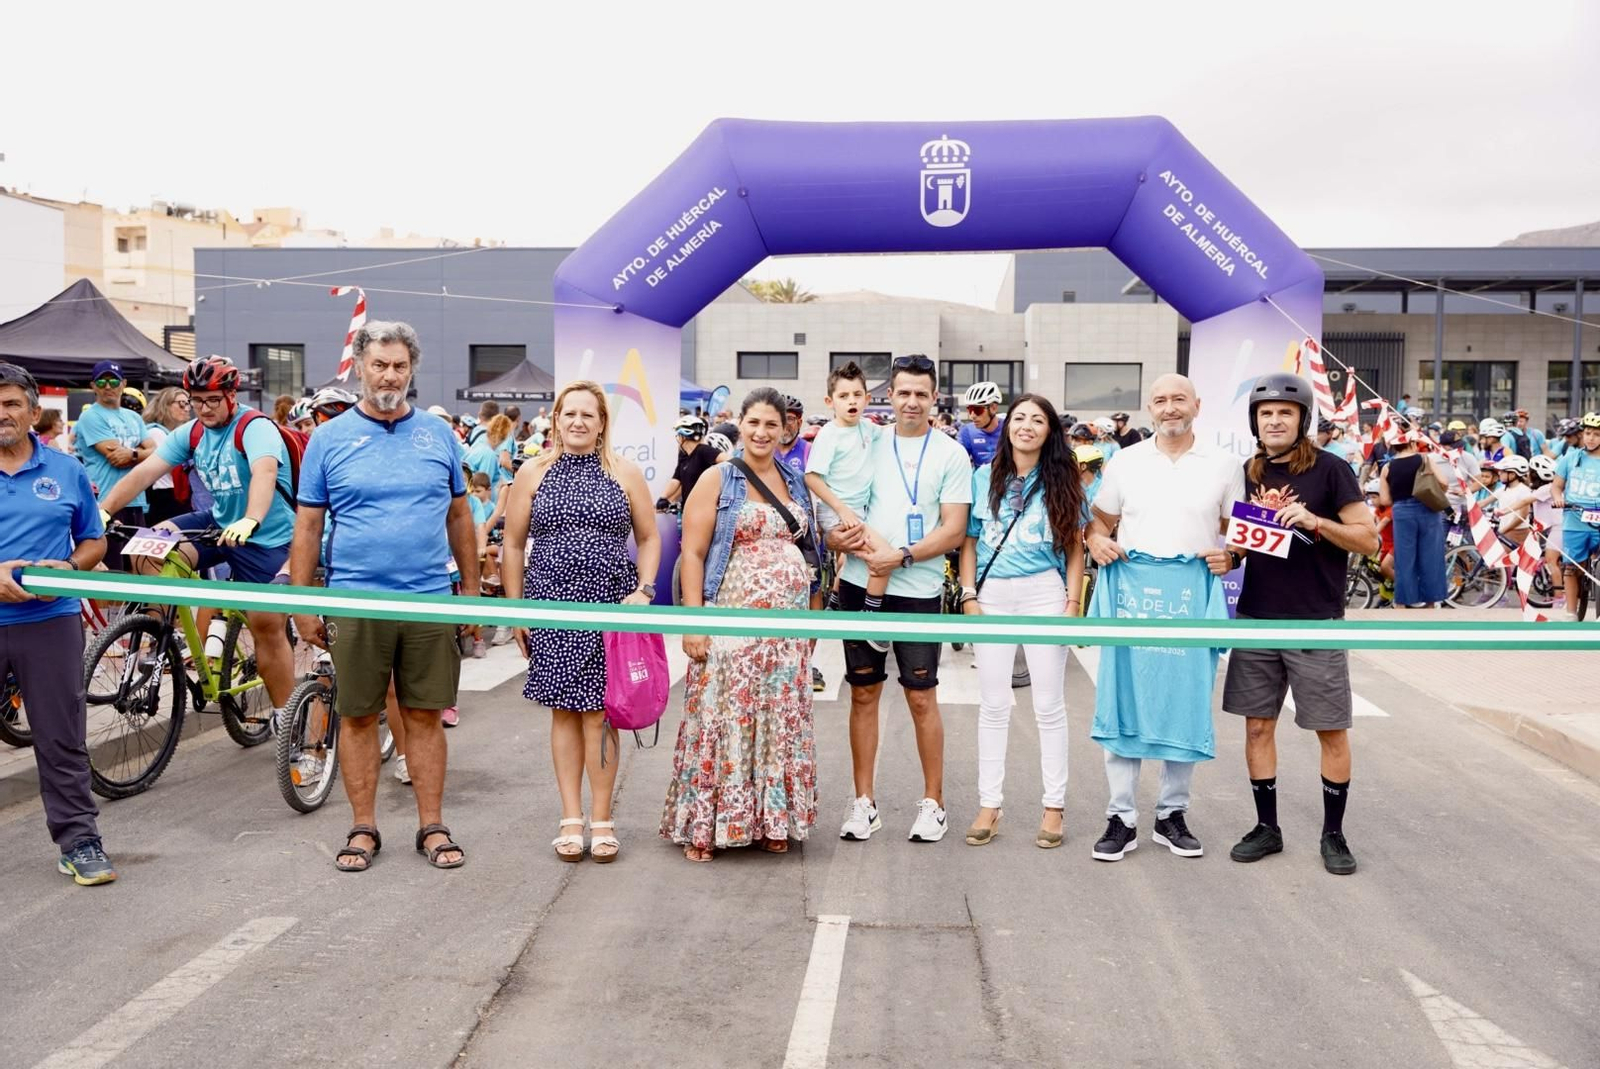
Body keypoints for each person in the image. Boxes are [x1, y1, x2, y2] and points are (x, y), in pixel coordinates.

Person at [290, 321, 479, 873]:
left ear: (412, 369)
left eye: (399, 365)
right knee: (356, 716)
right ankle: (363, 827)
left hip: (428, 599)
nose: (390, 376)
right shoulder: (328, 439)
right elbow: (308, 526)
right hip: (355, 600)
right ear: (359, 368)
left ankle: (433, 826)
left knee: (424, 716)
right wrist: (302, 602)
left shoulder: (439, 435)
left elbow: (459, 515)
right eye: (379, 365)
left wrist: (470, 592)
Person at [1221, 373, 1378, 877]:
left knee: (1330, 729)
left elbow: (1369, 539)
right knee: (1257, 727)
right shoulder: (1246, 472)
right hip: (1257, 617)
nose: (1274, 420)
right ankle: (1267, 827)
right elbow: (1244, 538)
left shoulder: (1331, 469)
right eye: (1265, 413)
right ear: (1255, 421)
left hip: (1316, 619)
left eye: (1284, 413)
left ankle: (1333, 833)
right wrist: (1231, 556)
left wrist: (1318, 523)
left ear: (1302, 419)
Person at [500, 380, 660, 864]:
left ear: (602, 422)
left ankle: (602, 819)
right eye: (569, 413)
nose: (577, 421)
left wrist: (644, 590)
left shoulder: (625, 472)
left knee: (600, 712)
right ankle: (571, 818)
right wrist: (516, 609)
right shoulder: (533, 472)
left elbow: (649, 538)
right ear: (555, 418)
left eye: (588, 414)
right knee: (564, 712)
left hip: (609, 606)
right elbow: (512, 545)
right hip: (550, 606)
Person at [1085, 373, 1242, 862]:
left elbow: (1236, 529)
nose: (1170, 408)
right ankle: (1121, 817)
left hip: (1190, 599)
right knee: (1123, 697)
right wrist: (1096, 540)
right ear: (1149, 409)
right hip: (1132, 598)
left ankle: (1172, 813)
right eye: (1160, 401)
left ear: (1197, 405)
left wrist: (1232, 555)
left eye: (1178, 399)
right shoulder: (1125, 461)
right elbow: (1099, 520)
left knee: (1185, 699)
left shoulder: (1224, 464)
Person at [97, 355, 300, 729]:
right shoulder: (191, 432)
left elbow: (265, 472)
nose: (204, 409)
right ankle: (164, 633)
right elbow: (145, 472)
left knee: (266, 624)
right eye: (197, 401)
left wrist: (252, 518)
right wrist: (104, 510)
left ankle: (285, 716)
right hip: (218, 524)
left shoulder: (254, 427)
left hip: (267, 537)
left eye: (212, 400)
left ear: (231, 396)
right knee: (145, 548)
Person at [663, 387, 818, 861]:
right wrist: (694, 622)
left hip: (786, 632)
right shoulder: (718, 478)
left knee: (778, 720)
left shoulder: (794, 480)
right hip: (731, 624)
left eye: (772, 424)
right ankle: (708, 827)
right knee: (724, 715)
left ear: (785, 429)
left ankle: (771, 820)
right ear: (740, 426)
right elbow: (692, 553)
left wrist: (812, 617)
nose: (762, 432)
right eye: (754, 423)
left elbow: (811, 550)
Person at [831, 353, 972, 844]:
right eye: (903, 392)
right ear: (888, 395)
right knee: (863, 692)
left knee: (921, 697)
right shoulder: (865, 441)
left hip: (917, 590)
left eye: (921, 394)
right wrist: (837, 540)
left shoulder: (951, 453)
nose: (912, 401)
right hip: (859, 582)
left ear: (934, 398)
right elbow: (836, 507)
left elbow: (954, 530)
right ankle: (863, 803)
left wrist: (902, 556)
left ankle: (934, 804)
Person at [0, 362, 116, 885]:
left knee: (61, 737)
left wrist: (69, 567)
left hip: (50, 621)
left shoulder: (66, 470)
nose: (2, 414)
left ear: (32, 411)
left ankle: (79, 841)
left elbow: (94, 540)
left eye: (11, 403)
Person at [958, 394, 1086, 850]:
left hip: (1044, 593)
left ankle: (1054, 806)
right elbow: (969, 541)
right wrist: (969, 595)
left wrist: (1072, 603)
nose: (1026, 426)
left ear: (1050, 431)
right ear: (1007, 426)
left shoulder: (1064, 478)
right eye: (1019, 418)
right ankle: (989, 804)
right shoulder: (982, 477)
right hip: (992, 593)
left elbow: (1075, 546)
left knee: (1048, 705)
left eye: (1037, 420)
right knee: (993, 704)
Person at [805, 362, 896, 651]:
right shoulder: (829, 434)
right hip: (838, 513)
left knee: (849, 561)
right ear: (830, 401)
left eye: (857, 395)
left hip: (859, 512)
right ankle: (871, 616)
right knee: (883, 556)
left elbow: (893, 431)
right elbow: (812, 477)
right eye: (843, 396)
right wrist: (842, 510)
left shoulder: (868, 428)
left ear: (867, 399)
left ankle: (834, 602)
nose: (851, 401)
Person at [74, 360, 157, 568]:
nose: (108, 386)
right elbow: (117, 458)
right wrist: (141, 453)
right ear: (93, 386)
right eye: (101, 382)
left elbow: (156, 452)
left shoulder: (133, 417)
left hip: (136, 500)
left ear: (124, 384)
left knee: (140, 566)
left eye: (113, 381)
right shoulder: (90, 416)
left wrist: (133, 454)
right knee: (112, 568)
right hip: (106, 502)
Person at [1377, 424, 1452, 609]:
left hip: (1402, 512)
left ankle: (1403, 602)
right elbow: (1444, 482)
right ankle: (1431, 602)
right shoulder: (1424, 459)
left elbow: (1385, 500)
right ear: (1411, 443)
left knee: (1404, 558)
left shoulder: (1387, 467)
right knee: (1431, 555)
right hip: (1428, 509)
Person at [1551, 413, 1600, 622]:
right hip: (1574, 519)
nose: (1591, 438)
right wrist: (1558, 498)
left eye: (1597, 434)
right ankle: (1571, 612)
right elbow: (1556, 486)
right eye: (1588, 433)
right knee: (1571, 567)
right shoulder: (1570, 458)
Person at [140, 386, 194, 525]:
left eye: (189, 403)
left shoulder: (177, 433)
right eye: (181, 403)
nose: (187, 408)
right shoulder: (156, 433)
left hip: (177, 494)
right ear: (165, 405)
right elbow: (172, 465)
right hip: (166, 496)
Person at [658, 414, 723, 509]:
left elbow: (731, 462)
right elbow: (676, 479)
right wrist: (663, 498)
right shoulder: (684, 454)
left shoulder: (704, 450)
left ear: (682, 437)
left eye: (678, 435)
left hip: (703, 509)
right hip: (688, 508)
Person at [1489, 455, 1535, 547]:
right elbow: (1484, 502)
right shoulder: (1503, 489)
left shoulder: (1523, 491)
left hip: (1517, 533)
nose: (1499, 474)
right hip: (1505, 531)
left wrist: (1503, 530)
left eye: (1502, 471)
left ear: (1512, 474)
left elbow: (1522, 517)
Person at [957, 381, 1005, 467]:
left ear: (993, 408)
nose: (972, 416)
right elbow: (958, 464)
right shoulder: (967, 432)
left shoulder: (1009, 428)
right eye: (970, 409)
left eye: (977, 410)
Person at [776, 393, 810, 476]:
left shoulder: (809, 451)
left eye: (789, 419)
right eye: (779, 419)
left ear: (799, 423)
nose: (784, 424)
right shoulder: (765, 450)